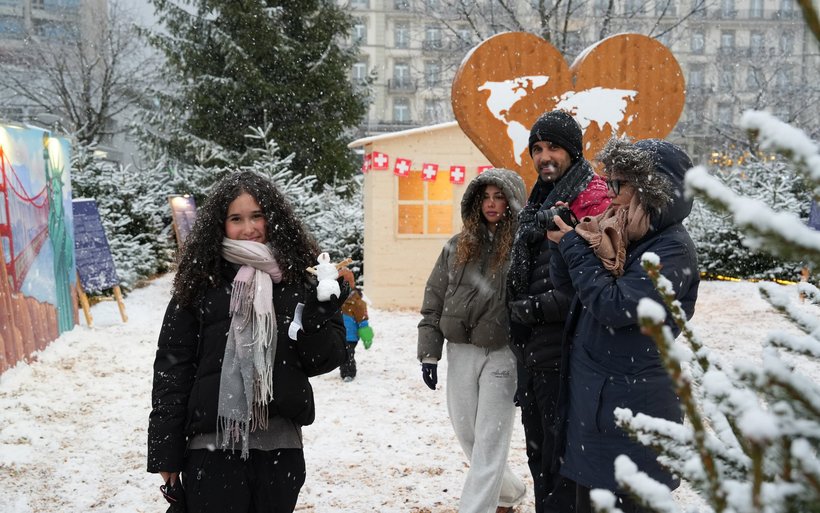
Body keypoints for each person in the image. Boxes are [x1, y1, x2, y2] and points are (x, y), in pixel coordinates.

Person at [147, 170, 348, 513]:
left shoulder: (301, 278)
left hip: (280, 447)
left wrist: (320, 315)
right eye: (236, 218)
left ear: (273, 219)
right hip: (211, 447)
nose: (249, 227)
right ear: (220, 225)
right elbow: (172, 372)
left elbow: (323, 360)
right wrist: (165, 453)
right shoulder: (198, 283)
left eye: (257, 216)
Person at [547, 138, 699, 513]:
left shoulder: (672, 249)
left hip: (634, 418)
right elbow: (571, 290)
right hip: (598, 412)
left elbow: (615, 306)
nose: (611, 197)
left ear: (651, 190)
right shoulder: (621, 238)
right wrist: (561, 243)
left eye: (619, 186)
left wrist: (574, 248)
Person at [506, 109, 610, 513]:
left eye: (553, 148)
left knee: (560, 460)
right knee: (540, 458)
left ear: (573, 151)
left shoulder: (591, 198)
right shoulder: (540, 201)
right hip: (534, 350)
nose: (544, 156)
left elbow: (590, 284)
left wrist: (530, 309)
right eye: (537, 148)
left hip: (565, 350)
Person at [418, 168, 528, 513]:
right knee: (468, 433)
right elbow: (434, 298)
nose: (491, 204)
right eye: (485, 196)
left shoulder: (524, 247)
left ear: (511, 202)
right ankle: (508, 491)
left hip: (501, 354)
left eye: (499, 196)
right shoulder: (456, 246)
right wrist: (428, 354)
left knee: (491, 440)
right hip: (460, 351)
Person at [338, 266, 374, 382]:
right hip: (339, 334)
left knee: (348, 354)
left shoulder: (357, 303)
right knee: (341, 353)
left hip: (351, 336)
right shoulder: (336, 300)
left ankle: (349, 373)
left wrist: (367, 337)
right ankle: (344, 371)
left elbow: (363, 322)